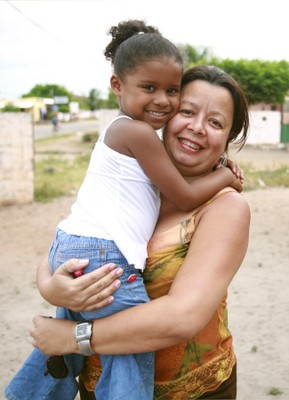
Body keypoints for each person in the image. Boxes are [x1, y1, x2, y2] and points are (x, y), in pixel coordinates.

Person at [4, 21, 242, 400]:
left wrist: (72, 337)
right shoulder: (138, 179)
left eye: (215, 122)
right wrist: (53, 287)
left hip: (192, 390)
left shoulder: (225, 207)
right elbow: (69, 241)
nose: (197, 127)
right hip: (97, 386)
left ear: (228, 138)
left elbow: (181, 317)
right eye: (188, 111)